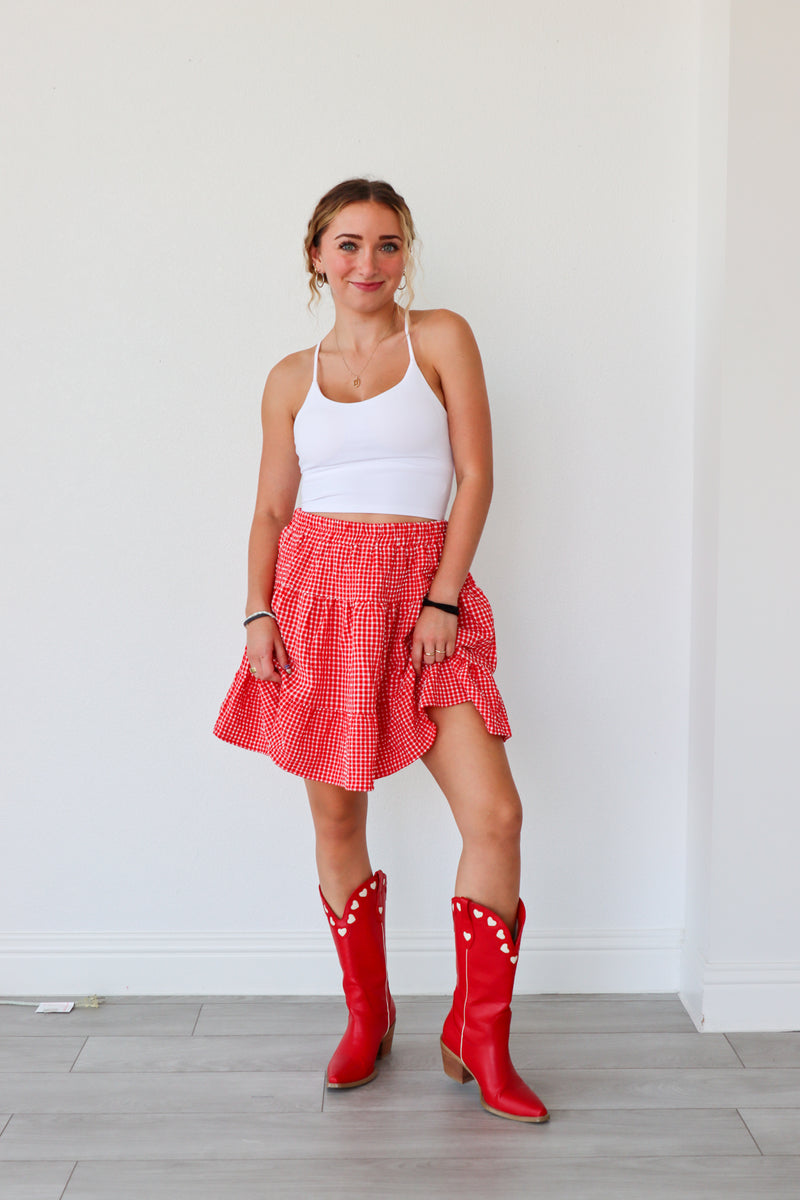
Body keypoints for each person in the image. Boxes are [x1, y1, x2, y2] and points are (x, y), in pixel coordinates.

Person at [214, 178, 548, 1123]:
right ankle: (369, 1014)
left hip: (422, 600)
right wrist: (256, 614)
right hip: (315, 606)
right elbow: (273, 509)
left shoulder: (440, 338)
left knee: (495, 815)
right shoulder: (289, 377)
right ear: (316, 254)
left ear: (408, 256)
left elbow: (476, 475)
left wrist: (443, 594)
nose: (370, 263)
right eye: (350, 245)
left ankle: (478, 1037)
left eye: (389, 245)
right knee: (337, 824)